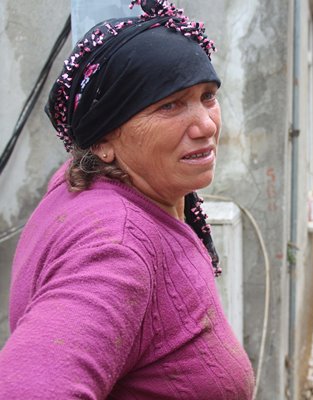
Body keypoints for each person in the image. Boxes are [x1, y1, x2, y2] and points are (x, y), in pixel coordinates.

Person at [0, 1, 254, 399]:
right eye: (168, 105)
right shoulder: (116, 247)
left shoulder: (89, 187)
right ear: (102, 140)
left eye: (207, 95)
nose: (206, 124)